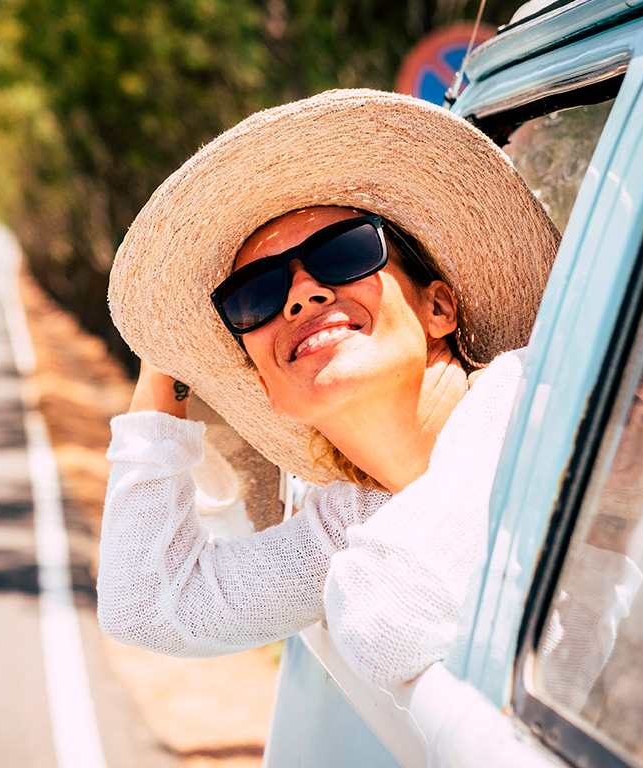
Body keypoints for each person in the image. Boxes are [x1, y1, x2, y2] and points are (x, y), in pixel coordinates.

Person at [97, 89, 561, 684]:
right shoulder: (360, 516)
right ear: (269, 389)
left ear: (439, 308)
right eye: (255, 297)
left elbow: (389, 624)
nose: (302, 294)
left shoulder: (527, 408)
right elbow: (147, 605)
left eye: (345, 255)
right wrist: (167, 360)